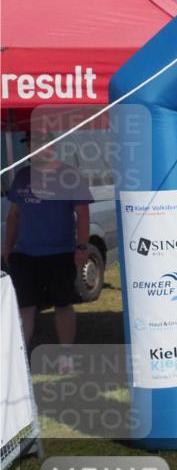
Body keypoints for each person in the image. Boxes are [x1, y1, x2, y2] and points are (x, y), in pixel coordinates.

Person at [3, 132, 93, 347]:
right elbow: (14, 215)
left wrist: (82, 246)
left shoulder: (69, 175)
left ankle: (66, 354)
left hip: (60, 253)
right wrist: (8, 246)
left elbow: (83, 213)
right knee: (25, 307)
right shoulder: (22, 176)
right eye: (29, 146)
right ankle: (21, 359)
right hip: (26, 254)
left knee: (62, 305)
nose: (31, 150)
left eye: (37, 145)